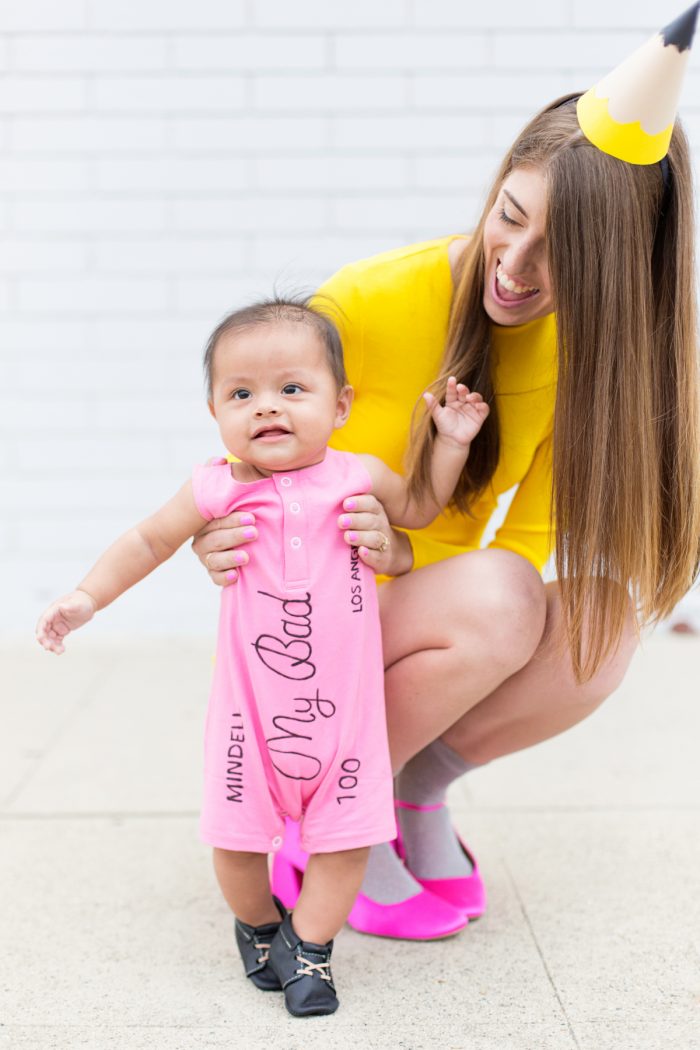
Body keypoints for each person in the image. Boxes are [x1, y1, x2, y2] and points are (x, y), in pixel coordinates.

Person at [191, 9, 700, 941]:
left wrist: (460, 598)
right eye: (510, 216)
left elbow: (530, 537)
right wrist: (216, 533)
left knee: (599, 628)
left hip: (422, 613)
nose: (513, 265)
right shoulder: (369, 301)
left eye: (561, 255)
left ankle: (409, 787)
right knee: (503, 598)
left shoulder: (598, 359)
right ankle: (343, 810)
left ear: (624, 268)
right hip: (310, 614)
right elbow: (251, 450)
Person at [35, 298, 489, 1016]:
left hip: (344, 724)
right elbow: (149, 540)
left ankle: (309, 948)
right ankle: (256, 925)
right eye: (241, 394)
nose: (266, 407)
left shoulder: (357, 475)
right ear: (213, 410)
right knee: (236, 841)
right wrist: (88, 598)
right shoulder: (217, 486)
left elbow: (425, 506)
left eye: (291, 389)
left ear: (340, 405)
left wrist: (452, 442)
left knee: (346, 843)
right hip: (250, 727)